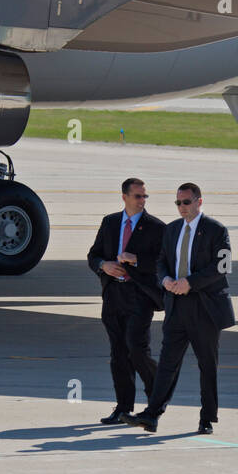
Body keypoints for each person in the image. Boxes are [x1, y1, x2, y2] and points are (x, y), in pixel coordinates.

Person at [124, 183, 235, 434]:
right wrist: (164, 280)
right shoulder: (172, 229)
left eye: (186, 202)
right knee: (167, 363)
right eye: (178, 203)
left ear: (199, 202)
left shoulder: (215, 230)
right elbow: (162, 261)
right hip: (176, 305)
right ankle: (152, 414)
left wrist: (190, 283)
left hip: (204, 307)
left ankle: (207, 418)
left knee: (207, 364)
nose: (182, 208)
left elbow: (222, 266)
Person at [86, 178, 165, 424]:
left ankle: (157, 399)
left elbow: (164, 263)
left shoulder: (156, 227)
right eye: (138, 196)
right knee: (118, 353)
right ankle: (123, 407)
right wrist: (104, 266)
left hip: (138, 295)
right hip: (113, 295)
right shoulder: (110, 222)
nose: (142, 201)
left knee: (137, 348)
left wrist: (137, 260)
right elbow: (93, 255)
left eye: (144, 197)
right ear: (125, 197)